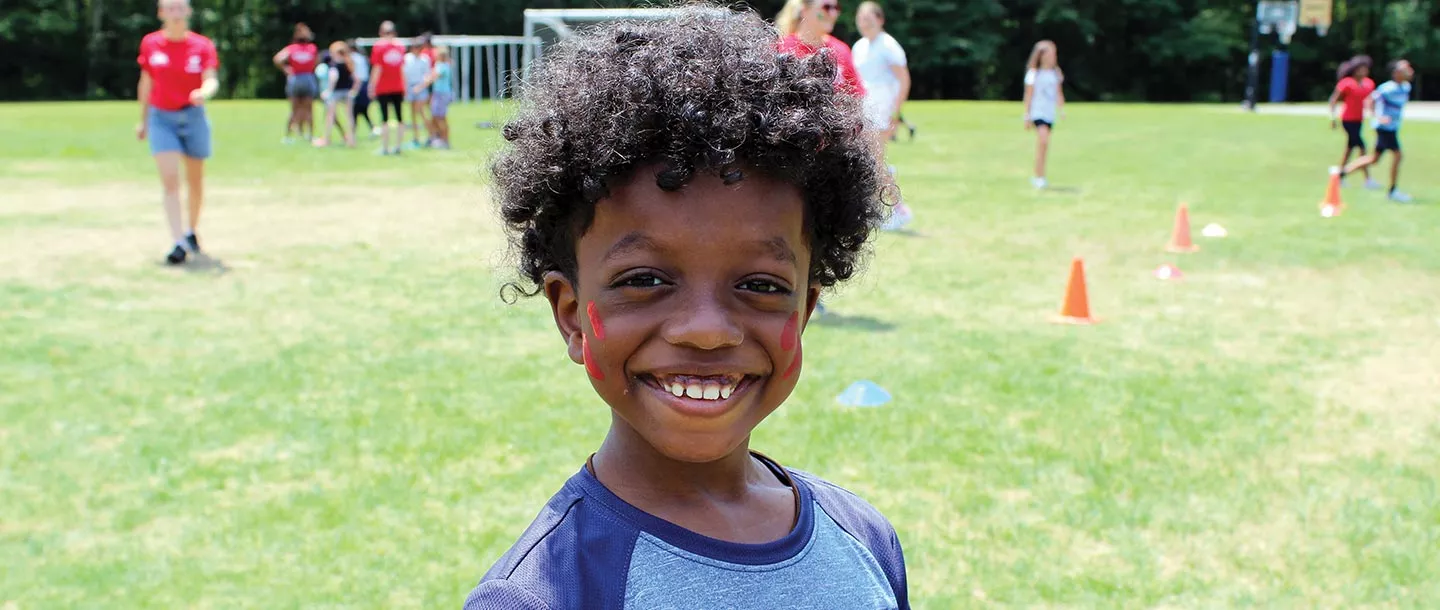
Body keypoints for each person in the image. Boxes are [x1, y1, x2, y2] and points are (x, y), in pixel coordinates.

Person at [463, 5, 908, 608]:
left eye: (761, 285)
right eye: (645, 279)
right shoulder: (542, 595)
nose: (706, 330)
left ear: (804, 311)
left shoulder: (865, 539)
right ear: (571, 314)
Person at [136, 0, 219, 265]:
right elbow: (146, 82)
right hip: (162, 118)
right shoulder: (150, 43)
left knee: (195, 182)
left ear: (188, 12)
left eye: (180, 8)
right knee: (170, 179)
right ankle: (177, 242)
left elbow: (211, 78)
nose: (175, 13)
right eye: (169, 8)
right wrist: (143, 120)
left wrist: (203, 92)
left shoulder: (202, 45)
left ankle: (191, 230)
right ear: (161, 13)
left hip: (193, 116)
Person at [853, 1, 913, 230]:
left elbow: (904, 80)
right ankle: (877, 209)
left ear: (880, 19)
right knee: (871, 161)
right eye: (861, 18)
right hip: (864, 113)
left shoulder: (888, 45)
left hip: (883, 113)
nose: (864, 22)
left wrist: (896, 114)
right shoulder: (859, 47)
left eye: (869, 17)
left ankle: (898, 210)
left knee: (875, 162)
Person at [1342, 59, 1414, 203]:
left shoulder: (1406, 87)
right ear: (1396, 73)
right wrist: (1378, 116)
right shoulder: (1387, 88)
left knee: (1374, 159)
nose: (1409, 71)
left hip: (1392, 127)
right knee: (1398, 155)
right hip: (1385, 128)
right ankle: (1393, 191)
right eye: (1404, 69)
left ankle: (1340, 174)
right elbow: (1370, 100)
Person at [775, 0, 865, 97]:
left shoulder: (841, 50)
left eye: (836, 8)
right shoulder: (783, 47)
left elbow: (857, 95)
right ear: (804, 10)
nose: (834, 14)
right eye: (827, 7)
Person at [1329, 56, 1379, 188]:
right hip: (1347, 119)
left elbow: (1370, 101)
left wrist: (1374, 115)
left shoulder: (1369, 83)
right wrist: (1332, 117)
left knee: (1350, 148)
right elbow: (1334, 100)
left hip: (1359, 119)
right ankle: (1366, 179)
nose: (1364, 71)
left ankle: (1340, 174)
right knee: (1361, 147)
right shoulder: (1346, 83)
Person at [1022, 40, 1064, 190]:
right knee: (1043, 140)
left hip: (1049, 113)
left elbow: (1058, 93)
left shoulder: (1055, 73)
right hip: (1037, 112)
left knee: (1044, 146)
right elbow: (1028, 96)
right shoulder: (1034, 74)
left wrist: (1061, 109)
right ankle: (1039, 177)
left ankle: (1040, 175)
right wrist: (1026, 116)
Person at [274, 23, 319, 144]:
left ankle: (288, 136)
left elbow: (277, 58)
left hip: (295, 78)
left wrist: (286, 69)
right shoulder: (312, 48)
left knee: (294, 109)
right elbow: (316, 62)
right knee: (309, 109)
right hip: (308, 78)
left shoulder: (291, 48)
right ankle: (309, 135)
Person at [368, 21, 407, 155]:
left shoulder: (379, 47)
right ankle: (398, 147)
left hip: (383, 88)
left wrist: (371, 86)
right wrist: (405, 86)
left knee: (385, 118)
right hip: (398, 87)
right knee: (399, 118)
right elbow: (402, 69)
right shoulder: (400, 47)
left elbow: (377, 68)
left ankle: (385, 148)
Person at [317, 41, 358, 148]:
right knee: (349, 116)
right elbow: (356, 79)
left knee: (330, 116)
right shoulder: (349, 63)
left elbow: (333, 78)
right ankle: (352, 140)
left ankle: (326, 139)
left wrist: (328, 91)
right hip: (348, 92)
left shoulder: (334, 65)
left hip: (336, 92)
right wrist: (354, 90)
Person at [402, 43, 432, 150]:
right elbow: (404, 74)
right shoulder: (407, 58)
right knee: (413, 114)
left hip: (421, 87)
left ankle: (430, 136)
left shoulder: (424, 59)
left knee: (422, 112)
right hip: (410, 87)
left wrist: (420, 87)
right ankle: (416, 137)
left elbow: (427, 75)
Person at [422, 46, 453, 149]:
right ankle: (438, 138)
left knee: (440, 118)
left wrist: (419, 87)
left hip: (441, 94)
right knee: (437, 117)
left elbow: (433, 77)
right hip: (440, 94)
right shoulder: (443, 65)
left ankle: (445, 140)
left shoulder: (442, 66)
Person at [347, 39, 376, 137]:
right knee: (362, 109)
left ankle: (353, 132)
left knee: (355, 109)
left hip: (358, 85)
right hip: (365, 84)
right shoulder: (363, 58)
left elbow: (355, 75)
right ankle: (371, 128)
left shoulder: (352, 58)